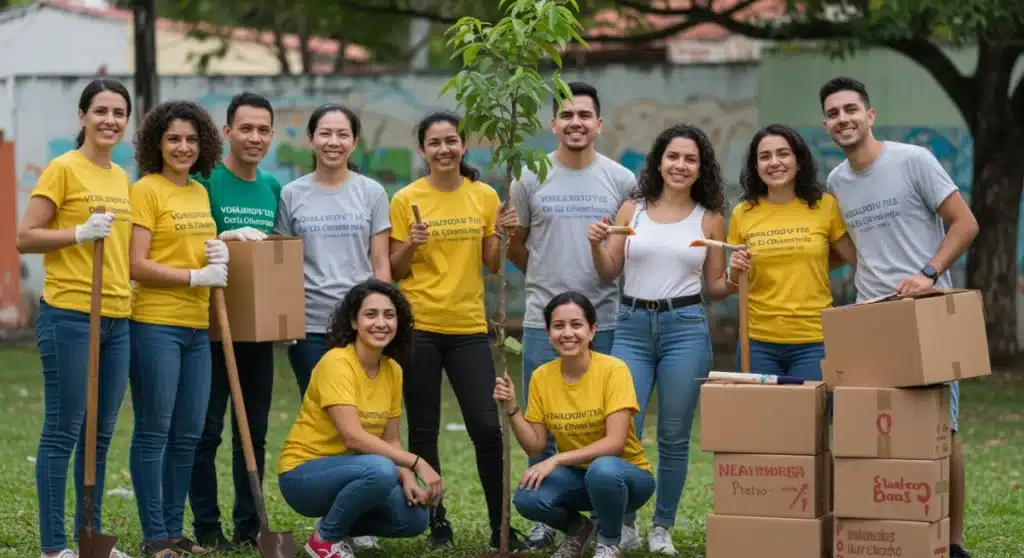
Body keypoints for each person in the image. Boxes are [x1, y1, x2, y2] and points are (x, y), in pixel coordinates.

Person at [818, 76, 979, 558]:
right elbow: (848, 252)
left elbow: (965, 223)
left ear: (869, 115)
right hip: (870, 319)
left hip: (926, 314)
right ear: (826, 125)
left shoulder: (914, 160)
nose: (843, 118)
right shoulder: (836, 182)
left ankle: (951, 542)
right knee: (872, 430)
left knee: (941, 433)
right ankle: (888, 530)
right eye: (833, 113)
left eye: (851, 109)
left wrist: (929, 273)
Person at [587, 124, 732, 554]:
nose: (680, 166)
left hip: (684, 328)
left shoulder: (710, 216)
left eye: (690, 159)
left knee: (673, 433)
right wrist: (597, 244)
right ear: (659, 161)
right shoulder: (632, 210)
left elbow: (717, 287)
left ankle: (662, 527)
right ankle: (624, 523)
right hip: (631, 325)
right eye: (673, 157)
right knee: (622, 429)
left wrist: (738, 274)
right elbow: (607, 272)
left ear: (700, 167)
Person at [387, 110, 526, 552]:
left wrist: (502, 234)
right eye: (434, 143)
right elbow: (394, 270)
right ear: (423, 149)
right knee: (423, 430)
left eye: (451, 141)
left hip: (468, 326)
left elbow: (491, 265)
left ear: (463, 145)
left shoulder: (483, 195)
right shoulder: (405, 198)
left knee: (487, 427)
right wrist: (412, 242)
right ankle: (436, 524)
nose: (444, 149)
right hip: (419, 326)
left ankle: (499, 525)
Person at [507, 81, 637, 550]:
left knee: (613, 424)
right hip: (543, 322)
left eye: (585, 115)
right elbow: (517, 245)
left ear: (599, 124)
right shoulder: (529, 177)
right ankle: (549, 517)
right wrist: (548, 283)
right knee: (542, 426)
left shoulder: (621, 180)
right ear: (553, 124)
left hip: (604, 318)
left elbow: (622, 252)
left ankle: (622, 519)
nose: (576, 122)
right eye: (567, 115)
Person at [16, 79, 135, 558]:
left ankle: (92, 539)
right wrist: (78, 233)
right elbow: (26, 237)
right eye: (101, 110)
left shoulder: (122, 177)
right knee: (64, 429)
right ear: (83, 116)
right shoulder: (62, 169)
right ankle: (54, 546)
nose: (110, 120)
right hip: (69, 313)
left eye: (119, 112)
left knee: (100, 435)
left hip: (117, 318)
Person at [127, 100, 227, 557]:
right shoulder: (145, 191)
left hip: (196, 327)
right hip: (155, 324)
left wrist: (221, 248)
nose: (183, 147)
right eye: (173, 139)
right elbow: (136, 264)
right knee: (154, 431)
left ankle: (172, 531)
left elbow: (190, 247)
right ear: (156, 143)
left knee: (188, 433)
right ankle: (154, 537)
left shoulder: (199, 192)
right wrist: (193, 277)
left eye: (191, 139)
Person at [277, 279, 439, 558]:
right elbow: (352, 436)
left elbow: (391, 439)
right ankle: (324, 541)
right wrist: (416, 461)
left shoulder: (393, 371)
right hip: (304, 475)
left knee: (414, 519)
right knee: (380, 470)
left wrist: (409, 478)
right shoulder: (337, 362)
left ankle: (337, 524)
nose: (381, 323)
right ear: (354, 321)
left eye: (389, 315)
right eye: (370, 314)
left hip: (357, 471)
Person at [187, 91, 283, 552]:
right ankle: (207, 525)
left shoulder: (273, 188)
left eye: (263, 129)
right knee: (207, 430)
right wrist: (221, 235)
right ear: (226, 132)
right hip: (208, 328)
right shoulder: (206, 181)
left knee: (255, 431)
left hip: (256, 330)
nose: (255, 137)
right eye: (245, 128)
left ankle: (250, 524)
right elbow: (186, 239)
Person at [493, 291, 655, 558]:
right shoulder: (541, 377)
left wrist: (557, 460)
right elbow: (535, 447)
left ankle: (608, 543)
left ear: (592, 331)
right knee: (527, 497)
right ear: (548, 333)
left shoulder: (614, 370)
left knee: (602, 470)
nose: (567, 333)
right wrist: (512, 409)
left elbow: (614, 444)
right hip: (579, 478)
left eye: (576, 325)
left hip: (627, 478)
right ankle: (579, 529)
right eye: (559, 326)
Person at [275, 103, 392, 397]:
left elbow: (380, 263)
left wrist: (381, 318)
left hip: (360, 324)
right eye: (325, 133)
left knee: (365, 409)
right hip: (309, 327)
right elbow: (282, 266)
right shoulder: (291, 194)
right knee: (320, 411)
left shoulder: (372, 192)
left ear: (354, 142)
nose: (333, 142)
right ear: (311, 139)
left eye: (342, 134)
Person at [726, 123, 857, 379]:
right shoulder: (742, 213)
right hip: (758, 341)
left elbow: (854, 258)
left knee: (810, 418)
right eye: (765, 157)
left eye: (783, 154)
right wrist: (734, 270)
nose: (774, 162)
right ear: (756, 167)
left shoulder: (824, 205)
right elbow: (734, 282)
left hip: (814, 340)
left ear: (798, 161)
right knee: (763, 418)